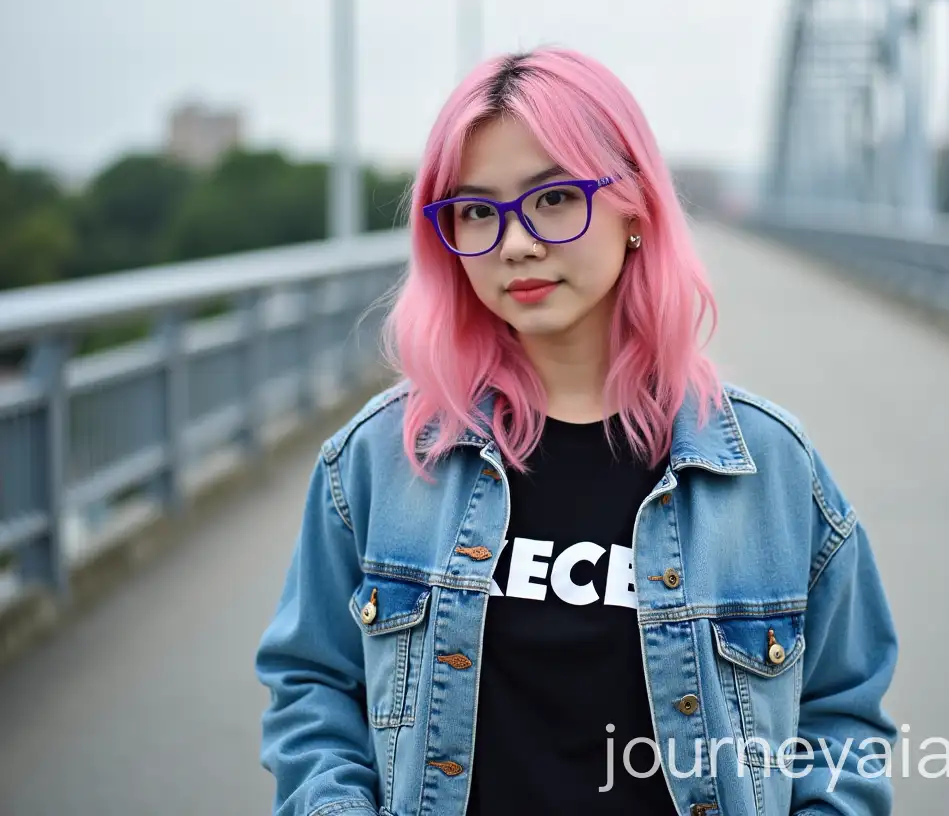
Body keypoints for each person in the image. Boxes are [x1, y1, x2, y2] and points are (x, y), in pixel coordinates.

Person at [254, 47, 899, 816]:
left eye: (554, 198)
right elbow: (313, 690)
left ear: (634, 206)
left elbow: (842, 717)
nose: (516, 242)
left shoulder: (770, 470)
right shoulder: (376, 462)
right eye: (477, 211)